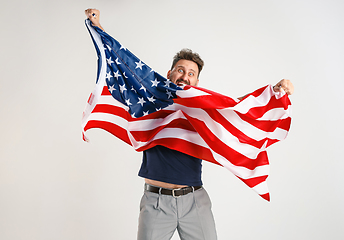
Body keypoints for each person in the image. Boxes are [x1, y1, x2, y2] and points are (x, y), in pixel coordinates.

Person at [84, 8, 294, 240]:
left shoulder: (203, 110)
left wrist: (275, 91)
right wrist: (98, 28)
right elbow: (124, 65)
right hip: (156, 203)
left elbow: (236, 108)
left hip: (195, 201)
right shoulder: (153, 99)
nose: (185, 76)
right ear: (170, 73)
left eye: (191, 73)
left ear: (196, 80)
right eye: (180, 70)